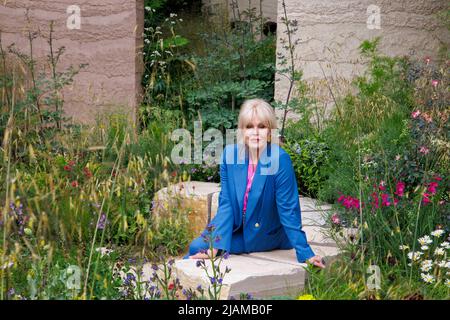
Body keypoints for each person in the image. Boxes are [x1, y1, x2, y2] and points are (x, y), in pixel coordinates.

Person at [183, 98, 325, 268]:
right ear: (242, 130)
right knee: (197, 247)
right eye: (249, 126)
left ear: (270, 131)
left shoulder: (280, 159)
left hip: (266, 232)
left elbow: (288, 208)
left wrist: (305, 252)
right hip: (238, 226)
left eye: (262, 127)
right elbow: (226, 203)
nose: (255, 132)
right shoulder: (230, 155)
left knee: (200, 253)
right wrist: (217, 244)